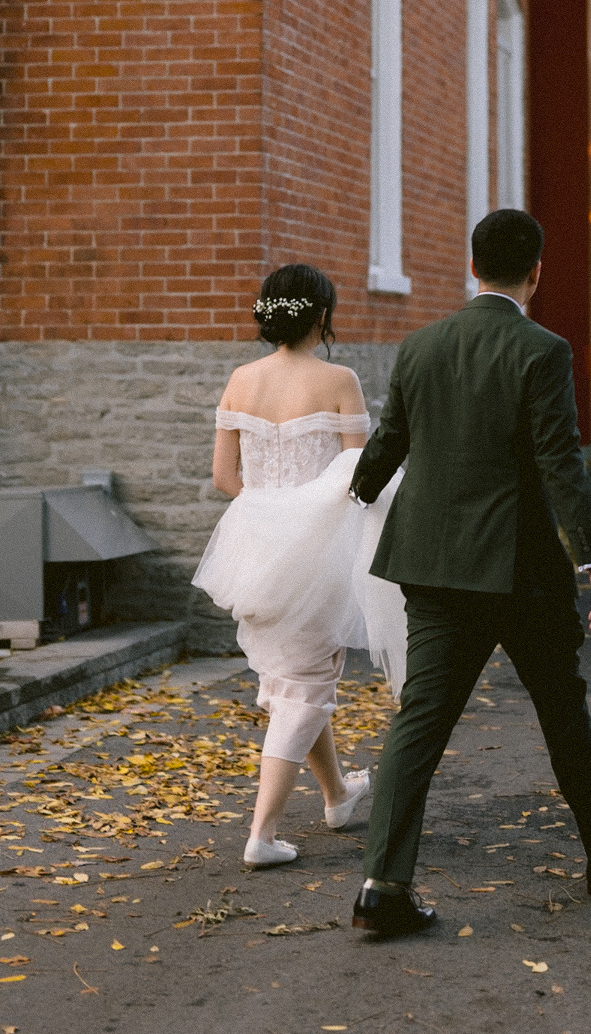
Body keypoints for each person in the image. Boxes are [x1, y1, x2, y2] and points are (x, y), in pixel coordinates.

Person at [347, 208, 591, 938]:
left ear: (470, 265)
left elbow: (389, 443)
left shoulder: (419, 347)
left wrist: (355, 489)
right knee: (559, 705)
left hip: (435, 567)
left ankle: (383, 884)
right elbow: (560, 462)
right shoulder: (542, 351)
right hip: (521, 574)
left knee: (420, 719)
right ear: (535, 272)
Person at [192, 263, 407, 869]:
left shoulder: (241, 379)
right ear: (322, 316)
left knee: (291, 680)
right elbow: (360, 478)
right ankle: (262, 834)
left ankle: (338, 795)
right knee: (305, 686)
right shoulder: (339, 379)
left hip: (254, 545)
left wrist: (273, 515)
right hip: (318, 552)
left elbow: (224, 478)